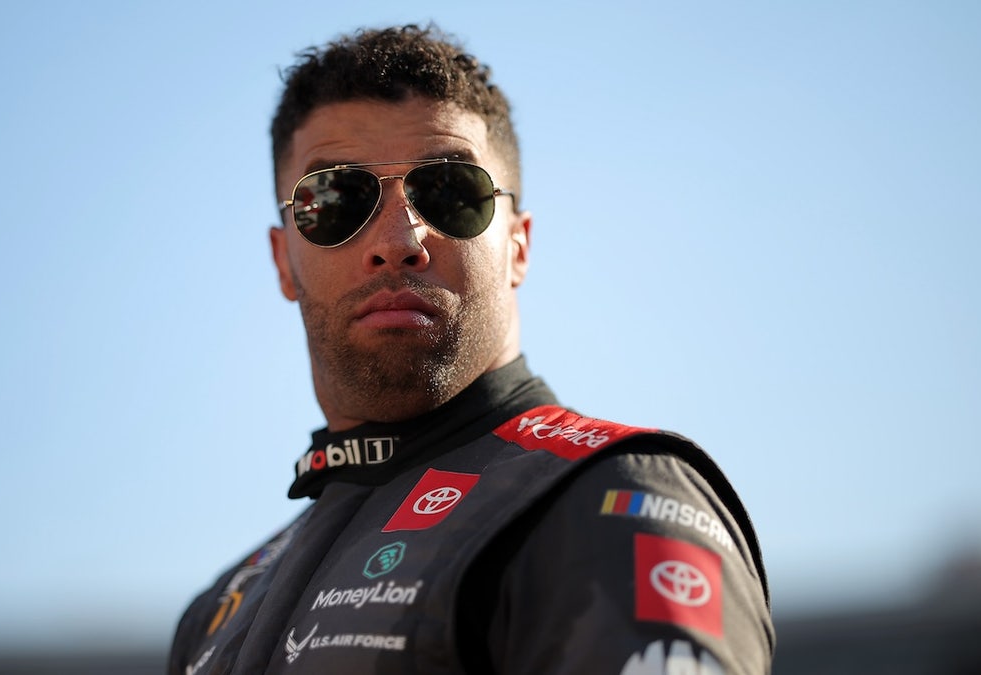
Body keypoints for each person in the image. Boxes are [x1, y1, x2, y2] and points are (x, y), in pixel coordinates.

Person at [169, 24, 774, 675]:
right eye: (335, 200)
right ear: (282, 259)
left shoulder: (609, 496)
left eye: (450, 192)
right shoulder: (220, 610)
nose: (398, 239)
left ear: (518, 245)